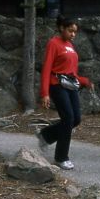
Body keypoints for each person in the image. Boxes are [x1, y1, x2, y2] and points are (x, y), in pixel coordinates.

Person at [37, 15, 93, 170]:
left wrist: (84, 81)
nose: (73, 34)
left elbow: (71, 72)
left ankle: (46, 135)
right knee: (68, 118)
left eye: (75, 32)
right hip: (57, 85)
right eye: (70, 30)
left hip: (70, 85)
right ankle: (61, 157)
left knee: (76, 119)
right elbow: (47, 68)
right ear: (61, 28)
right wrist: (45, 93)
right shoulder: (53, 43)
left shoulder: (70, 45)